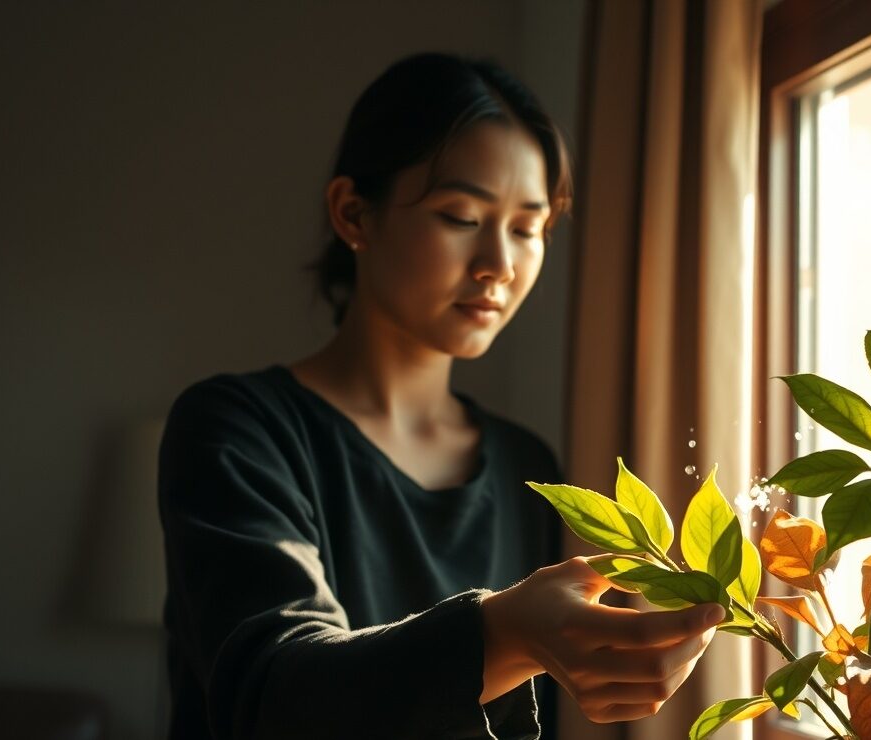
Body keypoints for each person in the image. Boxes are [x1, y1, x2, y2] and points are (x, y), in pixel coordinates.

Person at [157, 53, 724, 740]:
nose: (501, 266)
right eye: (460, 216)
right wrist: (503, 636)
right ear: (353, 213)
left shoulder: (525, 464)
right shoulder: (237, 430)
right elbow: (270, 692)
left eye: (527, 229)